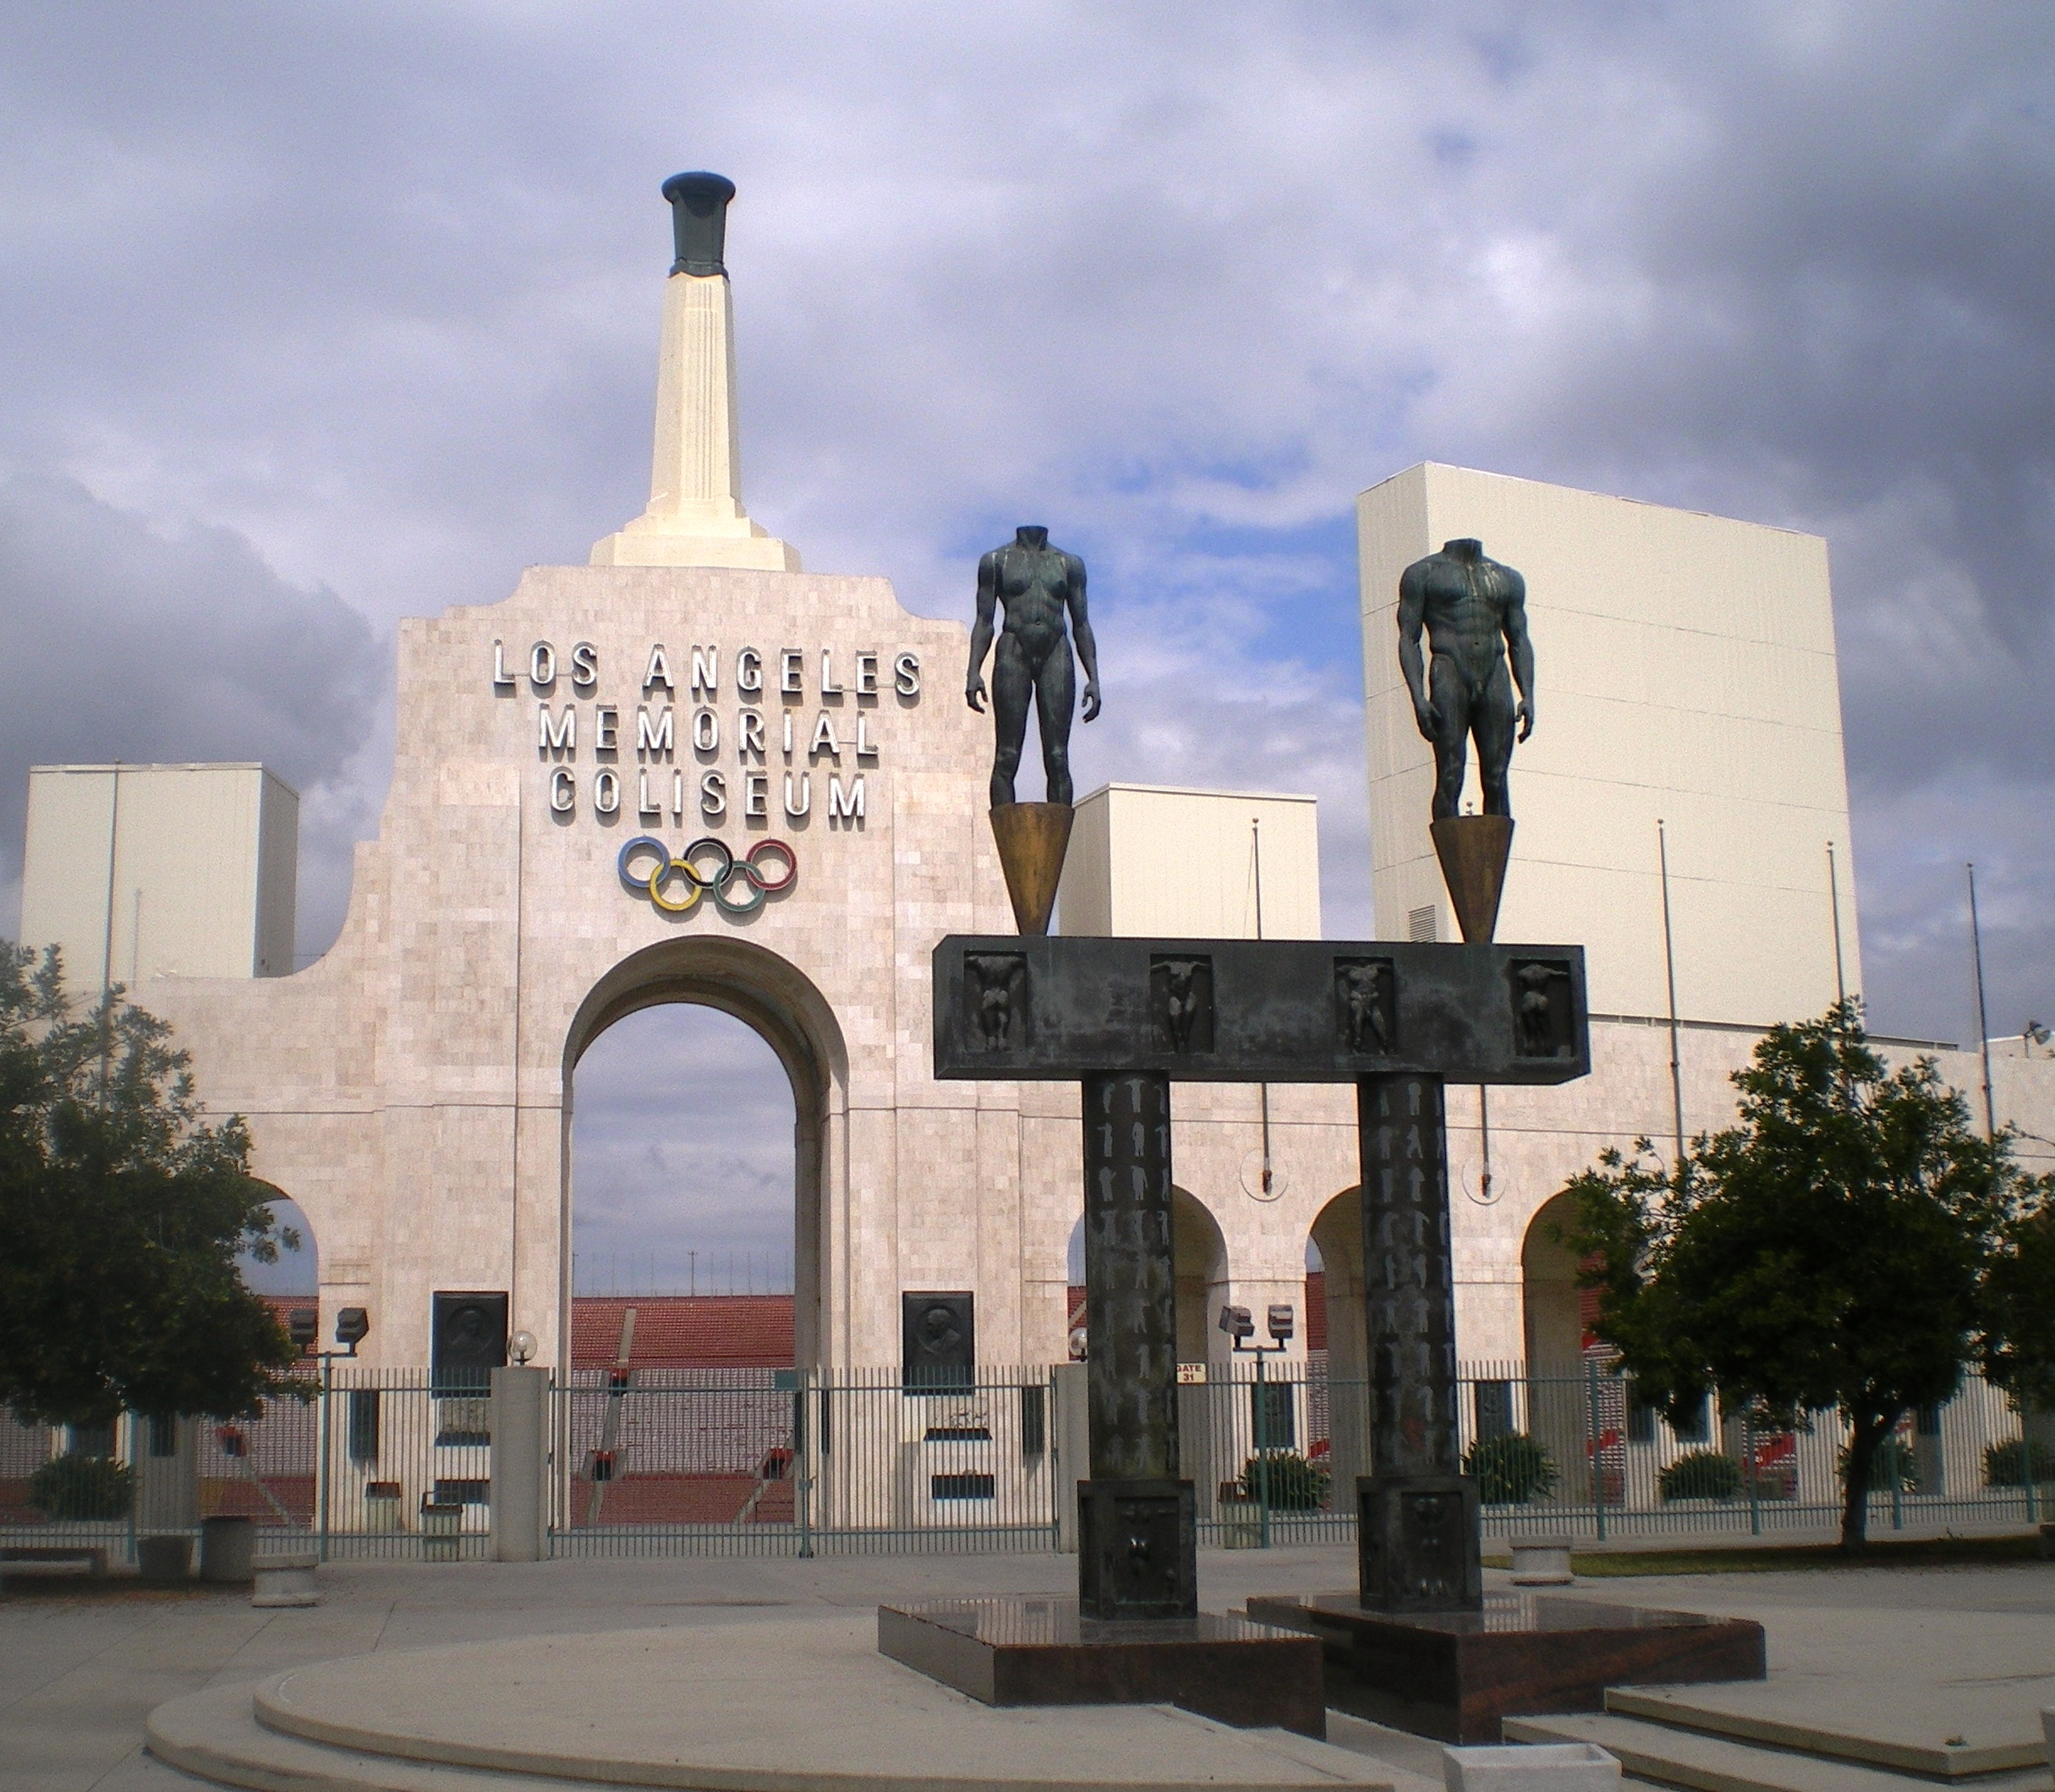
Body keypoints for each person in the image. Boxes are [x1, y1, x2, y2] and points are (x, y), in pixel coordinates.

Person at [1396, 538, 1535, 820]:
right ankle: (1453, 861)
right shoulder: (1423, 573)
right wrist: (1418, 698)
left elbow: (1519, 639)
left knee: (1496, 778)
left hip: (1494, 671)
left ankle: (1491, 863)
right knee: (1450, 773)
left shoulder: (1507, 578)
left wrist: (1528, 694)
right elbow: (1409, 639)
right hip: (1450, 669)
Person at [966, 525, 1101, 808]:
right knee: (1006, 756)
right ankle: (1005, 848)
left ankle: (1057, 850)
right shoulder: (994, 561)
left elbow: (1082, 624)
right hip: (1014, 650)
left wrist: (1093, 677)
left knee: (1058, 757)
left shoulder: (1070, 564)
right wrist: (973, 670)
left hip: (1056, 651)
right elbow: (984, 621)